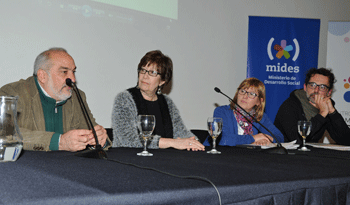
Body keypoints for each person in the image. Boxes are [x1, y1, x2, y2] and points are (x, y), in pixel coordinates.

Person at [0, 48, 110, 151]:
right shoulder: (11, 93)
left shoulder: (77, 96)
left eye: (73, 72)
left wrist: (99, 139)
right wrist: (59, 142)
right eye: (64, 72)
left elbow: (92, 131)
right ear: (42, 76)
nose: (73, 79)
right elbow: (4, 133)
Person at [111, 50, 204, 151]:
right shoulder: (125, 99)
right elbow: (128, 139)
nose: (145, 76)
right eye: (143, 70)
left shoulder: (167, 103)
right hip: (129, 160)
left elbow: (181, 132)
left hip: (162, 161)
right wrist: (171, 142)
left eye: (152, 72)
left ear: (162, 81)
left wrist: (194, 141)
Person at [274, 68, 350, 145]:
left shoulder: (325, 106)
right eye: (312, 85)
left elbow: (346, 140)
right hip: (285, 154)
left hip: (310, 154)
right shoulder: (290, 105)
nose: (316, 90)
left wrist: (332, 112)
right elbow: (297, 140)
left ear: (329, 92)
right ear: (305, 87)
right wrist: (322, 114)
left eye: (322, 87)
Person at [204, 78, 284, 147]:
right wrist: (254, 138)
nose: (245, 96)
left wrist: (266, 139)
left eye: (251, 94)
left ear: (259, 101)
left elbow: (279, 137)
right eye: (242, 91)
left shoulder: (260, 117)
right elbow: (224, 140)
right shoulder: (222, 111)